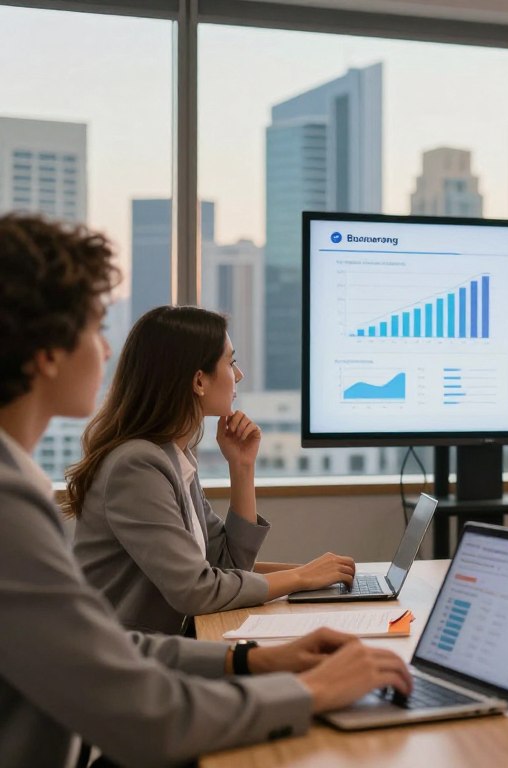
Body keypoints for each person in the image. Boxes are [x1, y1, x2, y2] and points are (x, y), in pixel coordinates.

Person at [0, 212, 411, 766]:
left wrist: (253, 662)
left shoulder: (167, 456)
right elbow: (155, 678)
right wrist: (311, 690)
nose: (105, 350)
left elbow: (119, 637)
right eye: (96, 329)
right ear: (48, 353)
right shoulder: (28, 500)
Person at [67, 305, 357, 635]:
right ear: (199, 380)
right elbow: (197, 590)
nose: (239, 375)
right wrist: (301, 577)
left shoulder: (172, 456)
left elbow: (228, 565)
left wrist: (242, 466)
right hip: (123, 666)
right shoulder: (137, 466)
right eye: (231, 362)